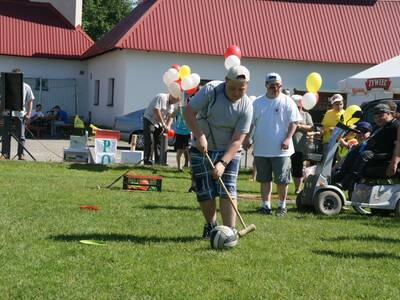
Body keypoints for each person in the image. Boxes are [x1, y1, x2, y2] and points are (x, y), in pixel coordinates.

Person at [183, 65, 252, 239]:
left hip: (228, 149)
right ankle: (211, 226)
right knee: (204, 190)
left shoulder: (247, 106)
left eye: (241, 89)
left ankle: (230, 232)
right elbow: (189, 112)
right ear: (226, 81)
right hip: (202, 147)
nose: (236, 92)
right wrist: (199, 136)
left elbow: (238, 140)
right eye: (233, 88)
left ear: (247, 86)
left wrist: (223, 162)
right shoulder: (211, 90)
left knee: (228, 188)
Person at [246, 73, 302, 216]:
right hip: (261, 149)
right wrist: (247, 138)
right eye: (272, 85)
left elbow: (294, 121)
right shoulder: (257, 102)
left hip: (281, 150)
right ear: (266, 85)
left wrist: (288, 138)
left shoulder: (287, 101)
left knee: (282, 180)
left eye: (278, 85)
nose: (275, 88)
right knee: (264, 179)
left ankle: (282, 206)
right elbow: (251, 123)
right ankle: (266, 206)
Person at [333, 102, 400, 189]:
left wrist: (394, 163)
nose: (377, 119)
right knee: (355, 151)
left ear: (388, 114)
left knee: (365, 154)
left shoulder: (396, 126)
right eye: (375, 117)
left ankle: (349, 182)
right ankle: (337, 178)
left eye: (380, 116)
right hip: (375, 154)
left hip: (386, 156)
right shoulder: (379, 126)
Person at [1, 68, 34, 160]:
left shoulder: (26, 86)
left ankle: (21, 154)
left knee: (21, 136)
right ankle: (5, 154)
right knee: (5, 135)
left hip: (20, 114)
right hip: (7, 114)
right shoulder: (6, 87)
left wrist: (29, 113)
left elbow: (30, 100)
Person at [143, 92, 180, 165]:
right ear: (172, 96)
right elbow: (156, 110)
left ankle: (159, 161)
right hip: (150, 119)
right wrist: (163, 124)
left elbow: (171, 116)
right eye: (174, 101)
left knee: (159, 141)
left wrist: (168, 125)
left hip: (159, 122)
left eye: (175, 102)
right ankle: (147, 161)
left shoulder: (171, 105)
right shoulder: (161, 97)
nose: (173, 103)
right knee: (149, 140)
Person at [290, 95, 313, 194]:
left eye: (299, 106)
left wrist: (299, 126)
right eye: (297, 106)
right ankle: (290, 187)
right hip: (288, 144)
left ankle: (298, 188)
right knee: (291, 167)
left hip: (301, 145)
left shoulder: (306, 115)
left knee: (298, 166)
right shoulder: (289, 114)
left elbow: (311, 127)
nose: (298, 108)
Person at [174, 104, 191, 171]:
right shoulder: (179, 108)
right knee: (179, 151)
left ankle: (191, 169)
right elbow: (172, 115)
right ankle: (179, 167)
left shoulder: (190, 108)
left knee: (189, 150)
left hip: (187, 132)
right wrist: (177, 109)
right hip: (179, 133)